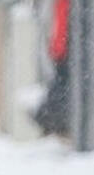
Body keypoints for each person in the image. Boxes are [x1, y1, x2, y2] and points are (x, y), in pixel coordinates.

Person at [35, 0, 70, 136]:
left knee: (60, 87)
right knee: (61, 88)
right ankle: (51, 120)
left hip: (61, 48)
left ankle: (49, 119)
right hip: (64, 49)